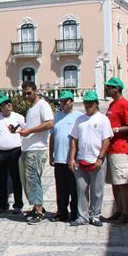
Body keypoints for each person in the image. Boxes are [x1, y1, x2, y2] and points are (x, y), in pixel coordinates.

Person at [69, 91, 113, 227]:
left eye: (91, 103)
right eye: (86, 103)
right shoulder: (80, 120)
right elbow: (74, 140)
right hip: (81, 159)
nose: (88, 105)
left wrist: (100, 158)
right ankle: (82, 216)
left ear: (96, 104)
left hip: (97, 160)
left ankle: (95, 215)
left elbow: (106, 140)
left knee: (97, 190)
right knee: (81, 189)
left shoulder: (103, 119)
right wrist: (72, 158)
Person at [18, 81, 55, 225]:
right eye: (24, 93)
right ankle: (35, 206)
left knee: (34, 179)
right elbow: (31, 127)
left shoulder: (43, 105)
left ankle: (39, 211)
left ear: (36, 91)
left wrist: (29, 131)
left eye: (29, 93)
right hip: (27, 148)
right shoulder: (31, 108)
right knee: (27, 180)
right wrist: (22, 129)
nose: (26, 96)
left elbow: (49, 123)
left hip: (37, 149)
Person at [103, 77, 128, 225]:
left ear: (116, 89)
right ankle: (118, 210)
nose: (106, 89)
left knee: (122, 182)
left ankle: (125, 213)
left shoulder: (124, 104)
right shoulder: (112, 105)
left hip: (120, 149)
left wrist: (115, 130)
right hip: (110, 149)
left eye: (109, 87)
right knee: (114, 183)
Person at [0, 96, 25, 215]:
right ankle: (2, 204)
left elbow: (26, 130)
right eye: (5, 103)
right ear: (1, 107)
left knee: (16, 179)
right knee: (1, 180)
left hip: (15, 151)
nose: (8, 104)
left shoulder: (18, 117)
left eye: (9, 102)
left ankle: (18, 204)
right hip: (0, 152)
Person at [50, 91, 81, 222]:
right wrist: (50, 154)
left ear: (71, 101)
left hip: (72, 158)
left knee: (74, 187)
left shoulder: (79, 116)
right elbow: (52, 135)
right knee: (61, 188)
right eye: (61, 101)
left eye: (65, 101)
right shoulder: (57, 116)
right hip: (59, 158)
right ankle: (61, 211)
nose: (63, 104)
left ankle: (75, 212)